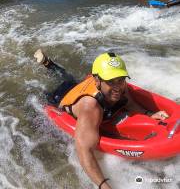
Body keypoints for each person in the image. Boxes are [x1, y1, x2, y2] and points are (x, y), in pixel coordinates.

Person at [34, 49, 169, 189]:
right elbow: (84, 150)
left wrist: (148, 113)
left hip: (80, 87)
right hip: (59, 98)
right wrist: (103, 186)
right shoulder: (90, 108)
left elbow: (129, 103)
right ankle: (45, 67)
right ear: (97, 80)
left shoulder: (120, 86)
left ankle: (48, 63)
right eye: (111, 81)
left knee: (68, 79)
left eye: (121, 79)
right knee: (59, 86)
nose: (117, 86)